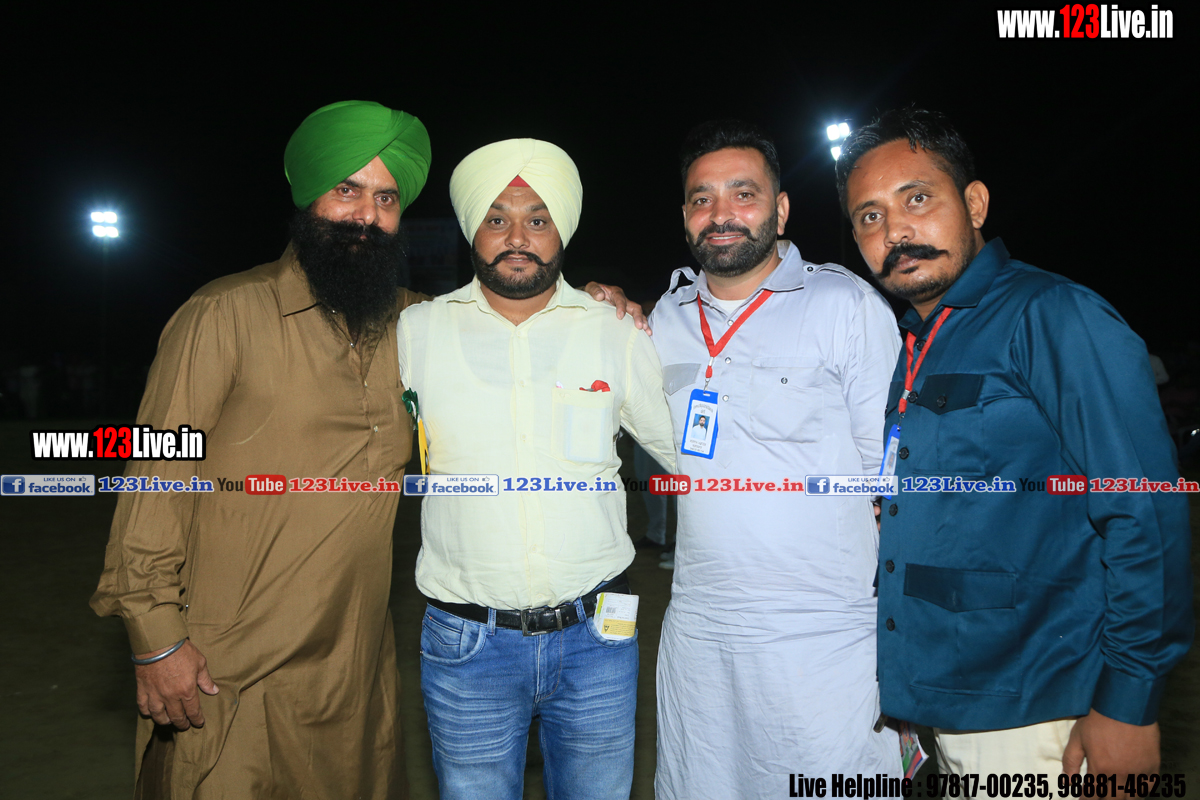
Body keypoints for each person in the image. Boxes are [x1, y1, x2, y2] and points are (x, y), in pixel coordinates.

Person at [90, 102, 641, 799]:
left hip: (354, 666)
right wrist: (157, 639)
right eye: (347, 190)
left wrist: (592, 302)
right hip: (229, 660)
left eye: (385, 199)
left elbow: (504, 310)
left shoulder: (411, 323)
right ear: (307, 197)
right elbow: (156, 473)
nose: (366, 215)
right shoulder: (223, 314)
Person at [835, 107, 1193, 777]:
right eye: (870, 216)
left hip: (1043, 716)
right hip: (952, 701)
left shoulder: (1052, 314)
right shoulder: (919, 343)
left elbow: (1143, 509)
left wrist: (1129, 703)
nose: (896, 231)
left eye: (917, 199)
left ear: (974, 203)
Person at [397, 138, 676, 800]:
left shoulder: (613, 331)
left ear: (562, 232)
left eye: (537, 219)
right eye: (497, 219)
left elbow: (692, 456)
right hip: (466, 643)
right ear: (473, 230)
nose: (517, 237)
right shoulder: (416, 333)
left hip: (600, 638)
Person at [649, 119, 903, 797]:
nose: (721, 213)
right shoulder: (663, 319)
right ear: (684, 216)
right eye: (702, 198)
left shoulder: (845, 305)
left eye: (744, 194)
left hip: (825, 638)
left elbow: (894, 480)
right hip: (701, 636)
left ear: (781, 209)